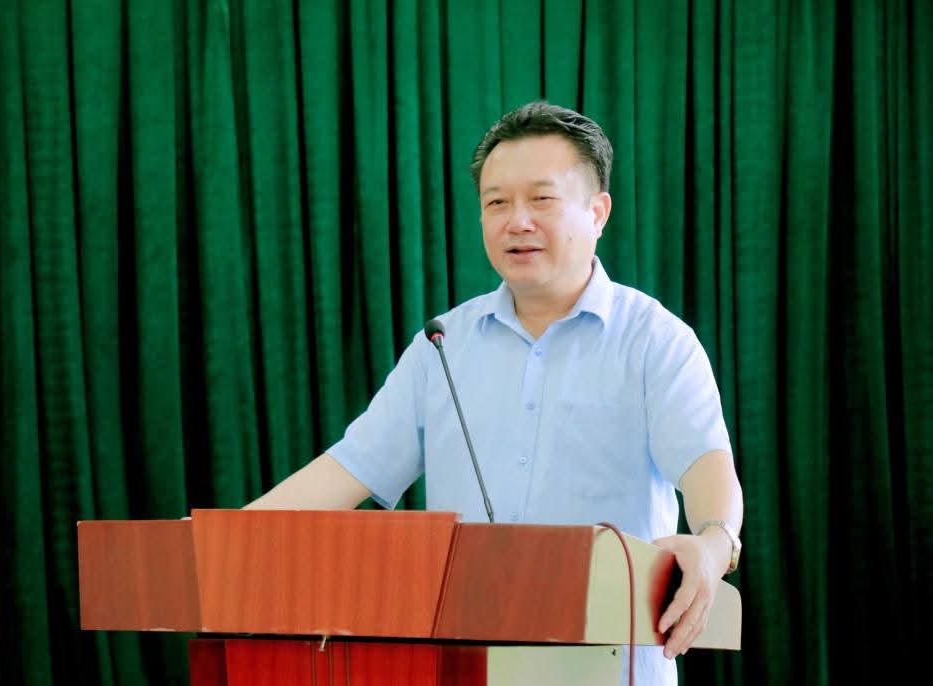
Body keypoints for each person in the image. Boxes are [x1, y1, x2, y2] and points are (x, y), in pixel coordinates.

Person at [244, 102, 744, 686]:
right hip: (463, 667)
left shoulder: (654, 340)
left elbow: (709, 472)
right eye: (497, 202)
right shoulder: (443, 344)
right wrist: (211, 544)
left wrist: (714, 545)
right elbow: (347, 470)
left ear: (598, 212)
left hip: (609, 669)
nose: (517, 221)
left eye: (541, 199)